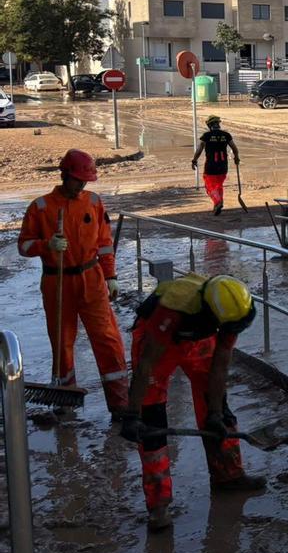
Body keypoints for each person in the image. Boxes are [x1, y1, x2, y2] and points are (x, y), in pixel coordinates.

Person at [116, 272, 265, 531]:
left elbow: (220, 365)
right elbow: (146, 366)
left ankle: (229, 475)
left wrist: (216, 412)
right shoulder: (172, 310)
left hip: (199, 337)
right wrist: (132, 414)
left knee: (218, 406)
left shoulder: (231, 312)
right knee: (151, 423)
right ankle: (158, 505)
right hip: (160, 340)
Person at [18, 149, 128, 415]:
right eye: (78, 179)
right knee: (62, 341)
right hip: (58, 282)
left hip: (92, 279)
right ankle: (65, 400)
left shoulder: (93, 202)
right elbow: (23, 246)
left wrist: (111, 276)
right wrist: (47, 245)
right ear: (65, 175)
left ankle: (120, 404)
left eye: (86, 180)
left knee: (108, 339)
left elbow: (104, 244)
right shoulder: (41, 207)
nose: (82, 185)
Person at [192, 115, 239, 215]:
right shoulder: (226, 135)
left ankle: (218, 202)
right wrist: (236, 158)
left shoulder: (206, 136)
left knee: (210, 187)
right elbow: (234, 148)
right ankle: (217, 204)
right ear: (218, 124)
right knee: (218, 185)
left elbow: (199, 149)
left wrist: (194, 160)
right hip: (223, 166)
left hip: (211, 166)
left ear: (209, 125)